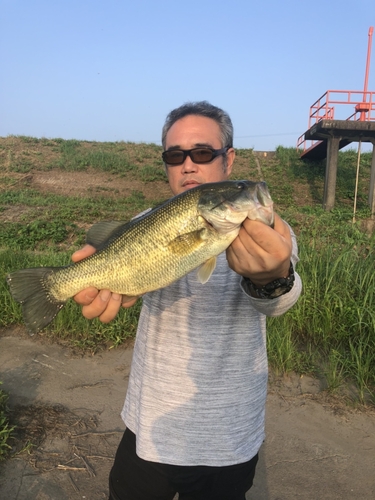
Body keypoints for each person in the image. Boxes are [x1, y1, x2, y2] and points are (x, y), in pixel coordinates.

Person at [72, 101, 302, 500]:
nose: (188, 166)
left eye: (202, 153)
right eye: (175, 156)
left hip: (229, 436)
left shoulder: (271, 230)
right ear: (166, 165)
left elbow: (279, 301)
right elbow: (127, 271)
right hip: (150, 425)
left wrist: (271, 279)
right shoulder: (145, 220)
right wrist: (100, 280)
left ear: (228, 161)